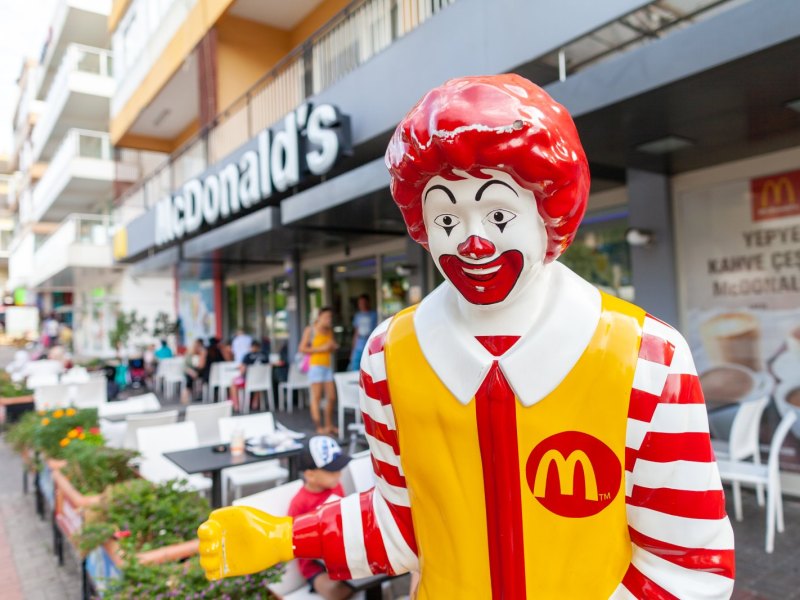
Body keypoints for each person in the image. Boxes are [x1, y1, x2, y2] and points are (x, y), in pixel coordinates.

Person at [199, 75, 734, 599]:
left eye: (498, 214)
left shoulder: (647, 357)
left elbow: (688, 563)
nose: (474, 242)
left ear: (549, 212)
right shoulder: (389, 359)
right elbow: (404, 526)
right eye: (447, 219)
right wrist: (286, 535)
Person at [287, 436, 353, 600]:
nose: (339, 473)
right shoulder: (299, 504)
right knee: (337, 590)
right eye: (332, 470)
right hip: (314, 567)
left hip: (342, 556)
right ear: (310, 475)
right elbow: (295, 541)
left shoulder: (337, 487)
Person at [299, 307, 339, 434]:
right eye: (326, 317)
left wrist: (333, 347)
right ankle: (319, 427)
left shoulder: (329, 331)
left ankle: (329, 425)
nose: (329, 320)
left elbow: (331, 347)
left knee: (332, 397)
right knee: (316, 397)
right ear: (319, 317)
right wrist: (321, 349)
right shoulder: (310, 330)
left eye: (330, 317)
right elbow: (302, 348)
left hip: (327, 366)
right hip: (315, 366)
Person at [231, 339, 270, 411]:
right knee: (258, 382)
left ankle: (236, 405)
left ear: (251, 347)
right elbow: (269, 366)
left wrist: (239, 372)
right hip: (263, 382)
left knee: (233, 382)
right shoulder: (265, 355)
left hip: (248, 382)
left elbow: (242, 371)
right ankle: (255, 403)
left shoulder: (247, 356)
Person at [347, 294, 378, 371]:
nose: (362, 305)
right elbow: (356, 333)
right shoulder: (357, 316)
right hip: (359, 344)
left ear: (368, 303)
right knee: (355, 365)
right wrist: (353, 349)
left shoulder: (374, 314)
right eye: (360, 303)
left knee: (369, 366)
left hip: (369, 344)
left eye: (364, 302)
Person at [182, 339, 206, 404]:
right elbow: (185, 366)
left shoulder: (200, 354)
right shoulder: (189, 355)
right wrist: (191, 371)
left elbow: (200, 366)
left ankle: (195, 394)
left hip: (197, 372)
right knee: (189, 378)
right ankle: (185, 397)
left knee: (194, 378)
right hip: (189, 372)